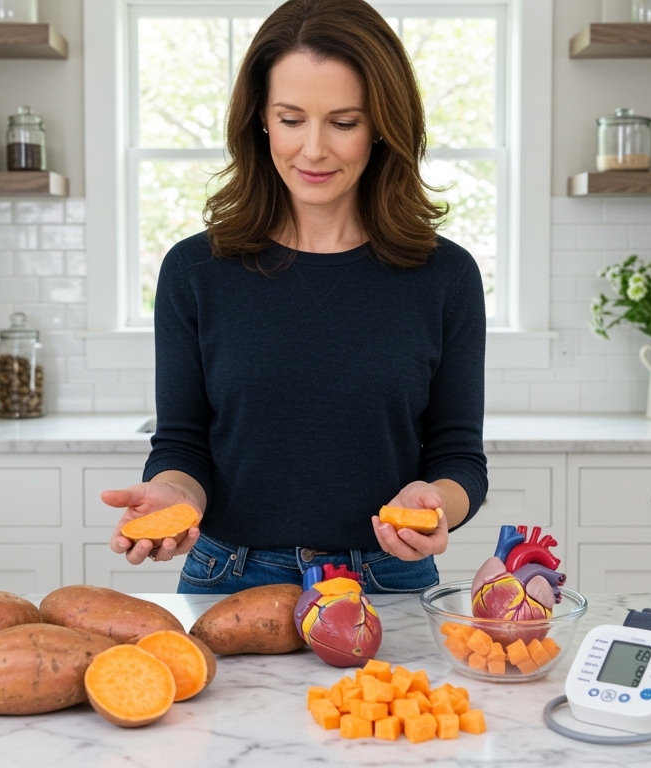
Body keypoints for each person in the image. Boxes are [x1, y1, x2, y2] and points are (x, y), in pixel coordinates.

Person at [102, 0, 487, 594]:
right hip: (227, 576)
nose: (313, 150)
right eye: (291, 119)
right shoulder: (194, 270)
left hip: (386, 578)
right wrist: (175, 494)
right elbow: (182, 443)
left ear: (383, 123)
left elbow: (459, 456)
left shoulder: (446, 275)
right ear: (259, 118)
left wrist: (439, 503)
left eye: (343, 121)